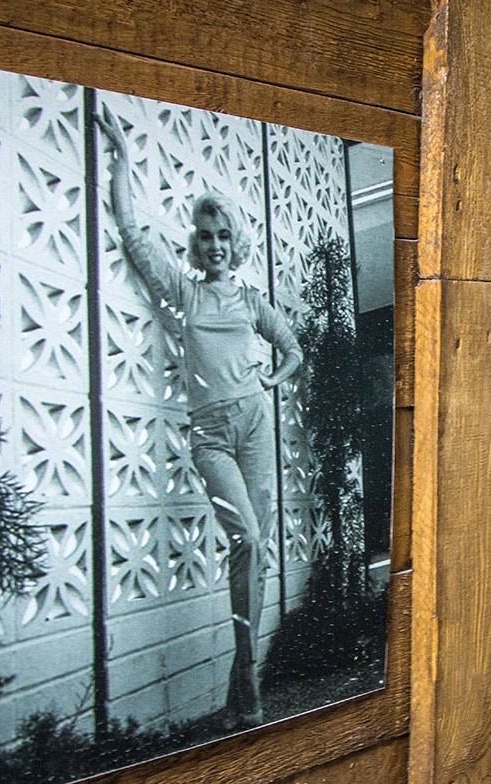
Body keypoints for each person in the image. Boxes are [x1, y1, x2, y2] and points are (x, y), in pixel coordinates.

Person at [96, 109, 302, 729]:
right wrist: (123, 157)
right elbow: (133, 234)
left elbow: (293, 349)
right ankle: (247, 677)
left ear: (235, 244)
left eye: (223, 236)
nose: (215, 245)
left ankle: (244, 687)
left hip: (256, 428)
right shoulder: (183, 293)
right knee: (248, 539)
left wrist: (271, 379)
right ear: (196, 242)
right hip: (211, 435)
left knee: (257, 554)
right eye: (206, 236)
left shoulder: (252, 300)